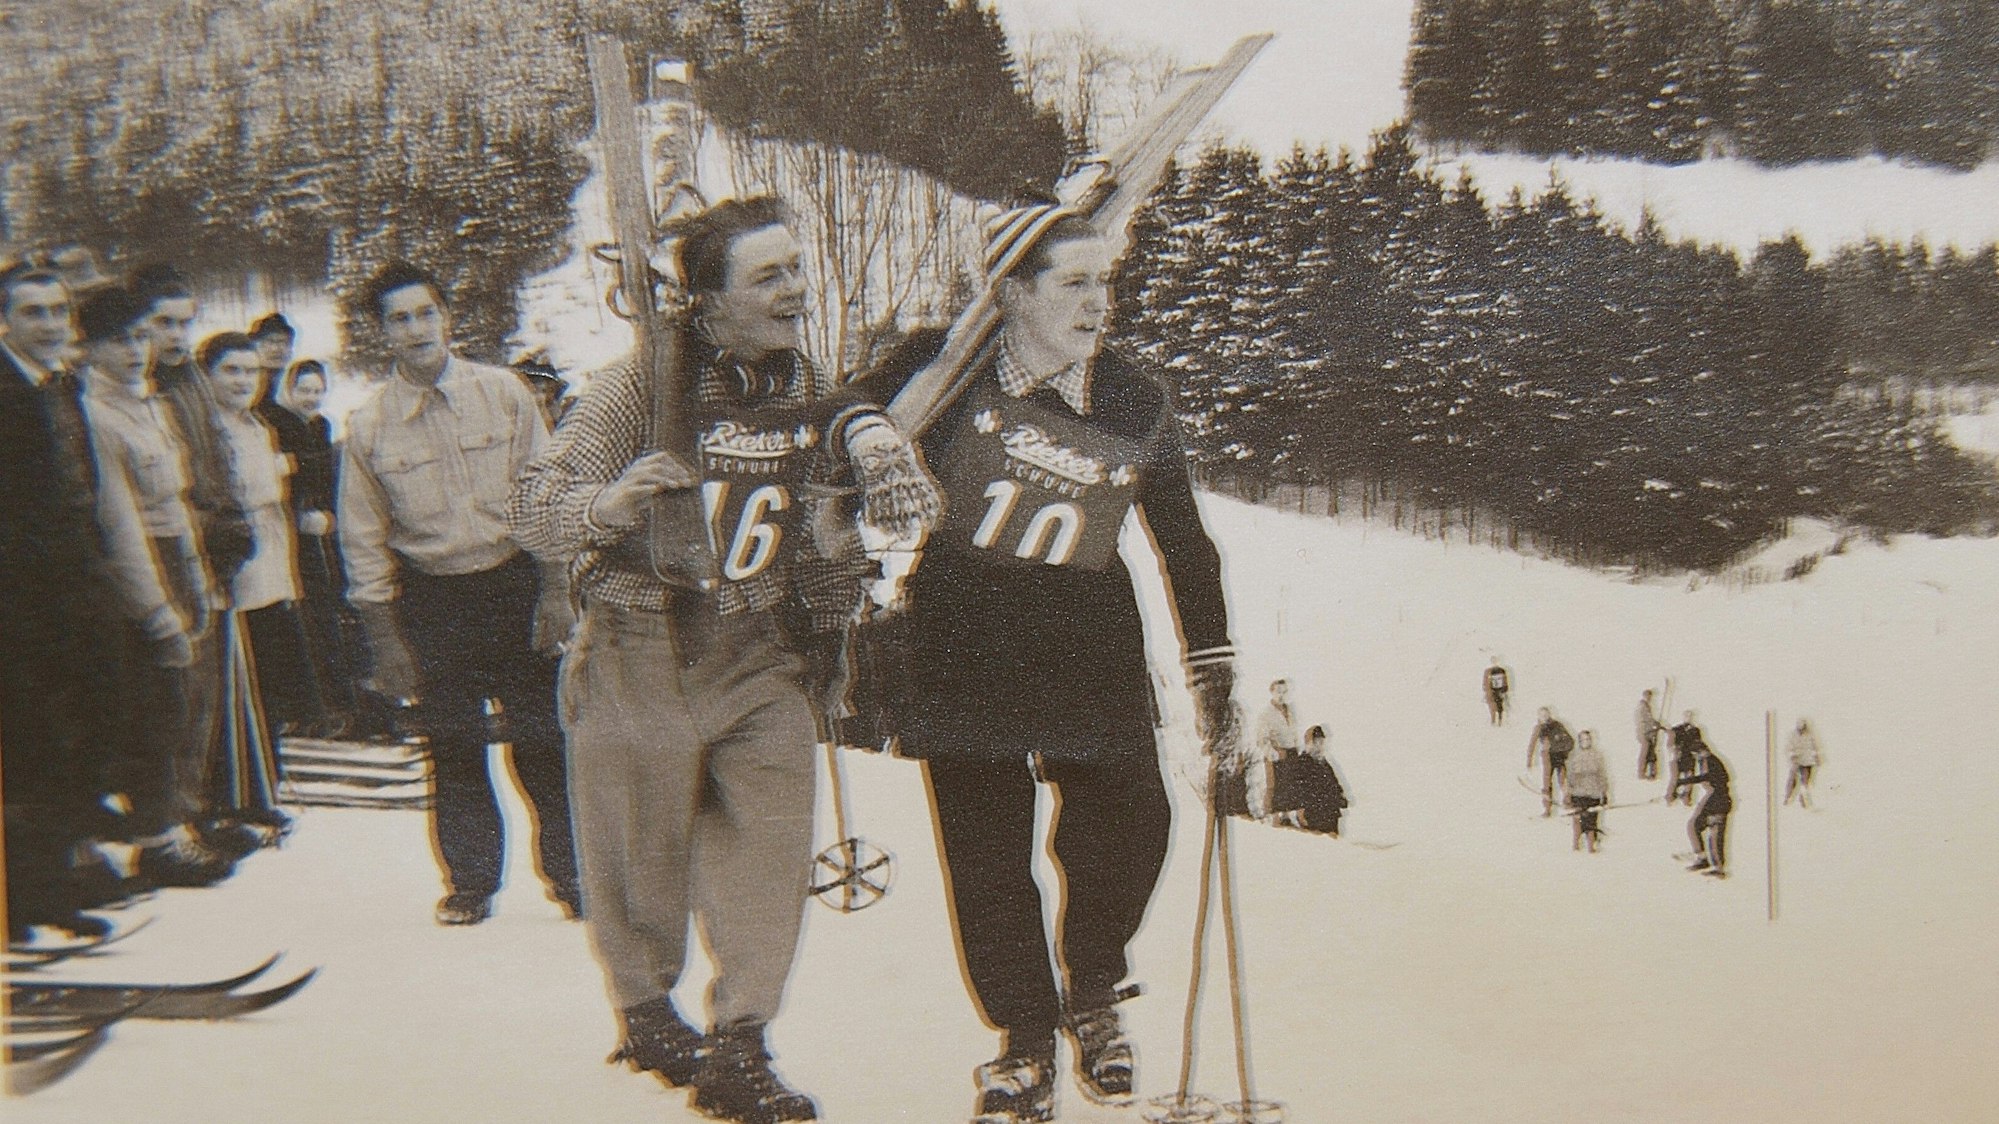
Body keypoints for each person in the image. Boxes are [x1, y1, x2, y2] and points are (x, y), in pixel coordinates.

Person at [509, 196, 929, 1124]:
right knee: (638, 852)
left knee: (768, 849)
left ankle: (742, 1040)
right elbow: (536, 507)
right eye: (769, 275)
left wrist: (837, 589)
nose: (796, 289)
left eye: (796, 268)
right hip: (640, 642)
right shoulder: (638, 388)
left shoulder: (807, 385)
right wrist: (609, 506)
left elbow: (822, 533)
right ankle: (646, 1011)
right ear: (707, 302)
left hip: (755, 649)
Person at [856, 205, 1238, 1124]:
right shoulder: (939, 369)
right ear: (1011, 294)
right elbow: (850, 409)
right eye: (1074, 282)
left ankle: (1093, 987)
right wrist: (871, 441)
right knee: (986, 856)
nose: (1099, 303)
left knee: (1133, 825)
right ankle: (1024, 1042)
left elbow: (1182, 536)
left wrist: (1211, 663)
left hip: (1089, 639)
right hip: (965, 636)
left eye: (1106, 281)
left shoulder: (1133, 395)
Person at [338, 261, 579, 927]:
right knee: (453, 749)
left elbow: (544, 495)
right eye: (398, 318)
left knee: (545, 743)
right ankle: (471, 883)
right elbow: (363, 540)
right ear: (381, 332)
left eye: (424, 313)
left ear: (447, 318)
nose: (415, 328)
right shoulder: (368, 427)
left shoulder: (503, 393)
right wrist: (386, 641)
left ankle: (573, 876)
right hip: (432, 604)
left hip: (512, 587)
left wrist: (556, 590)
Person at [75, 284, 239, 887]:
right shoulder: (95, 415)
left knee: (181, 704)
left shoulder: (151, 404)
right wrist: (157, 609)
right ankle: (155, 838)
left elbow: (178, 504)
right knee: (153, 708)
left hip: (180, 557)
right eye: (119, 340)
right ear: (88, 348)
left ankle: (175, 824)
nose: (135, 351)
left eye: (140, 337)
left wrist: (197, 581)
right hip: (139, 571)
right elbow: (121, 524)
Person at [0, 265, 142, 937]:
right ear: (7, 320)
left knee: (63, 744)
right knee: (29, 751)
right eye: (33, 312)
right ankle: (24, 901)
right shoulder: (6, 391)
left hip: (71, 595)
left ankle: (50, 890)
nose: (51, 324)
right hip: (20, 607)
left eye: (58, 311)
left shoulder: (59, 386)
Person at [201, 332, 321, 812]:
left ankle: (263, 788)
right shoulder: (208, 432)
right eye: (230, 370)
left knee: (271, 686)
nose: (242, 381)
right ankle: (236, 798)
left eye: (250, 372)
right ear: (207, 375)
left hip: (271, 573)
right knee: (238, 690)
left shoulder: (256, 426)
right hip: (236, 579)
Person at [1681, 735, 1732, 877]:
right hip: (1712, 798)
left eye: (1696, 754)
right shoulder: (1705, 761)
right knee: (1694, 825)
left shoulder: (1712, 761)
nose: (1696, 757)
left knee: (1715, 834)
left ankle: (1718, 867)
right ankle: (1702, 858)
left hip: (1719, 799)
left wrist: (1689, 780)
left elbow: (1716, 777)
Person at [1287, 725, 1349, 836]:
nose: (1319, 745)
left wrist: (1340, 797)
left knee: (1332, 840)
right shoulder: (1302, 763)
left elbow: (1333, 782)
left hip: (1329, 811)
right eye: (1316, 742)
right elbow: (1298, 787)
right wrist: (1300, 808)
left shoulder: (1324, 763)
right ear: (1309, 742)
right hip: (1312, 812)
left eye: (1321, 742)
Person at [1253, 678, 1299, 824]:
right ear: (1272, 692)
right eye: (1278, 692)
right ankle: (1272, 817)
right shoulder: (1266, 714)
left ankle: (1286, 816)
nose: (1281, 695)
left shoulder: (1290, 710)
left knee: (1290, 785)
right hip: (1276, 754)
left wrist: (1296, 747)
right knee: (1275, 785)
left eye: (1284, 692)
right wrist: (1274, 752)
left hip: (1290, 752)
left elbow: (1294, 731)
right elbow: (1261, 739)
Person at [1565, 729, 1610, 852]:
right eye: (1583, 739)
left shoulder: (1598, 756)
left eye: (1588, 739)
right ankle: (1576, 845)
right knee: (1577, 819)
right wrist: (1568, 793)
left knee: (1591, 820)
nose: (1586, 742)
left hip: (1593, 793)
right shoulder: (1574, 756)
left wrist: (1604, 792)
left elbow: (1602, 775)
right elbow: (1569, 776)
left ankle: (1591, 846)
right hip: (1578, 793)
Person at [1526, 706, 1575, 818]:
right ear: (1539, 716)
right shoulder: (1538, 728)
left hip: (1559, 756)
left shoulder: (1557, 725)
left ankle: (1568, 803)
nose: (1545, 717)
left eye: (1546, 714)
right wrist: (1529, 760)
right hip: (1547, 758)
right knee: (1546, 783)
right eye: (1542, 715)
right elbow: (1532, 744)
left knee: (1563, 781)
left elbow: (1570, 741)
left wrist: (1563, 749)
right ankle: (1547, 808)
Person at [1666, 711, 1703, 806]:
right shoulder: (1677, 729)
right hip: (1678, 757)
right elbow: (1670, 743)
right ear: (1683, 717)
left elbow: (1698, 743)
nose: (1688, 718)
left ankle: (1686, 797)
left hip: (1689, 757)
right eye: (1686, 716)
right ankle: (1670, 797)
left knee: (1689, 778)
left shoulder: (1695, 730)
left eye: (1690, 716)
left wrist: (1698, 752)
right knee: (1675, 778)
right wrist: (1673, 749)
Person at [1784, 718, 1821, 809]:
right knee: (1792, 779)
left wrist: (1816, 757)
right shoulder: (1793, 736)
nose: (1802, 731)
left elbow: (1814, 747)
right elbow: (1789, 748)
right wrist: (1793, 755)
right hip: (1797, 762)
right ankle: (1787, 797)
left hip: (1807, 762)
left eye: (1803, 728)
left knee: (1805, 782)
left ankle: (1804, 800)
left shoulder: (1810, 736)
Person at [1635, 688, 1663, 780]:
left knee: (1650, 751)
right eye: (1648, 696)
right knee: (1645, 752)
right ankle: (1641, 773)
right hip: (1644, 733)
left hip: (1648, 732)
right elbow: (1647, 719)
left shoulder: (1645, 706)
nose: (1649, 698)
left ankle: (1651, 772)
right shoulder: (1643, 706)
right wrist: (1656, 725)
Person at [1483, 657, 1510, 725]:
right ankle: (1493, 720)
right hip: (1492, 690)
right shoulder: (1488, 671)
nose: (1495, 663)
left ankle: (1500, 720)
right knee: (1493, 706)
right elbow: (1486, 682)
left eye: (1496, 661)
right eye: (1493, 661)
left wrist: (1504, 689)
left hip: (1500, 690)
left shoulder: (1501, 670)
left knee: (1500, 705)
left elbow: (1505, 681)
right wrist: (1486, 690)